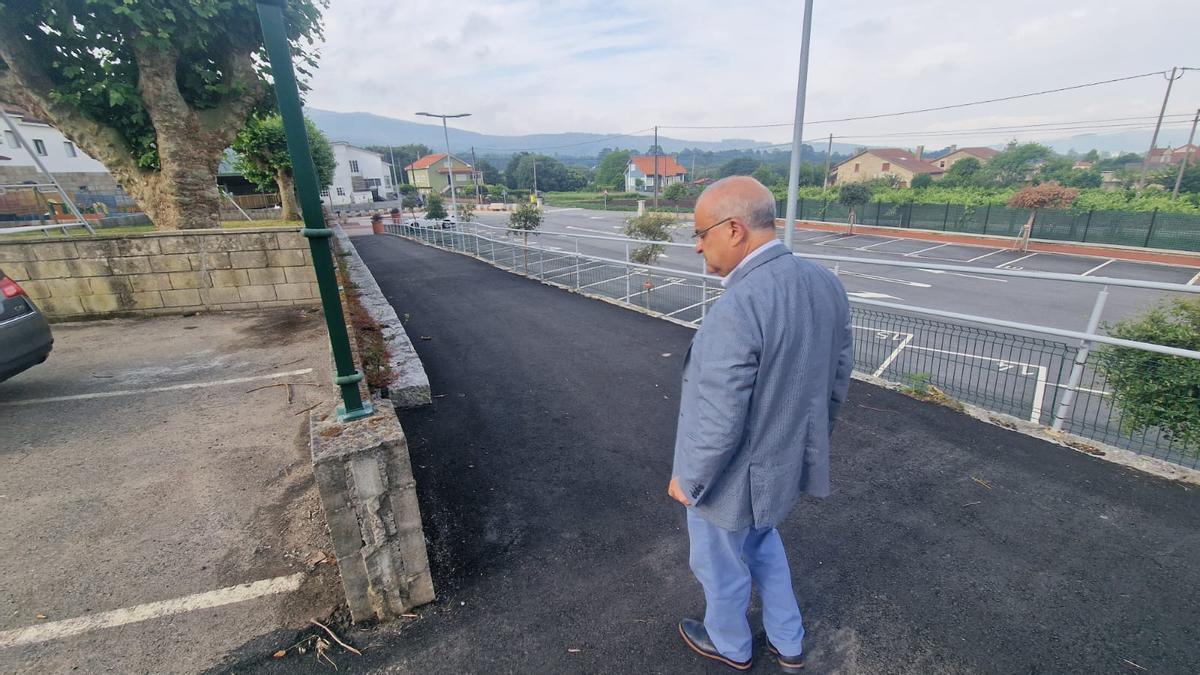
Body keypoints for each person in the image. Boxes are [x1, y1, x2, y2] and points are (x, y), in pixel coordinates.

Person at [669, 176, 853, 671]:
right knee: (764, 545)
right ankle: (788, 641)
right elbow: (836, 381)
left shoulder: (740, 304)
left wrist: (691, 479)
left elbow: (720, 412)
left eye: (700, 233)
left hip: (730, 476)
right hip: (780, 465)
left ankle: (730, 644)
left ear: (733, 229)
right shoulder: (824, 283)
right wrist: (807, 443)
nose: (697, 246)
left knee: (719, 563)